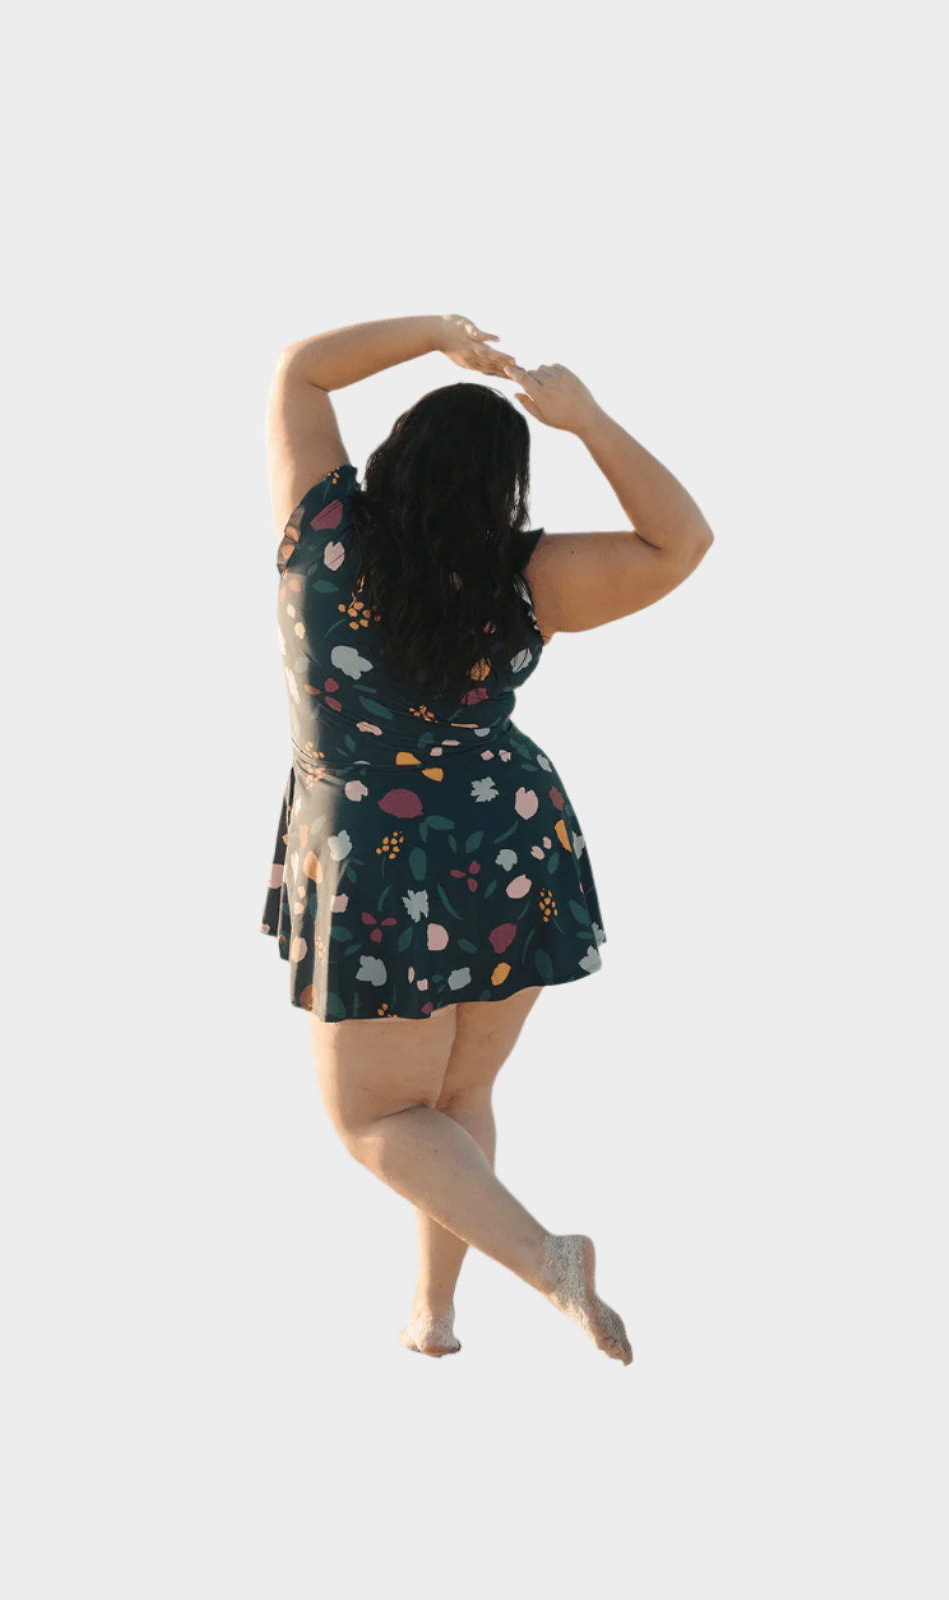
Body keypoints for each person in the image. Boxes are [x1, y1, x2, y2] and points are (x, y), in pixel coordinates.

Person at [260, 314, 714, 1364]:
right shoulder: (528, 578)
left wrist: (438, 335)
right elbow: (680, 541)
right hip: (508, 838)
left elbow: (300, 369)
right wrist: (586, 420)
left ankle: (549, 1260)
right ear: (505, 492)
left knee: (375, 1118)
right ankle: (433, 1315)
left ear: (394, 455)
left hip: (373, 853)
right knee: (458, 1095)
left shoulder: (320, 531)